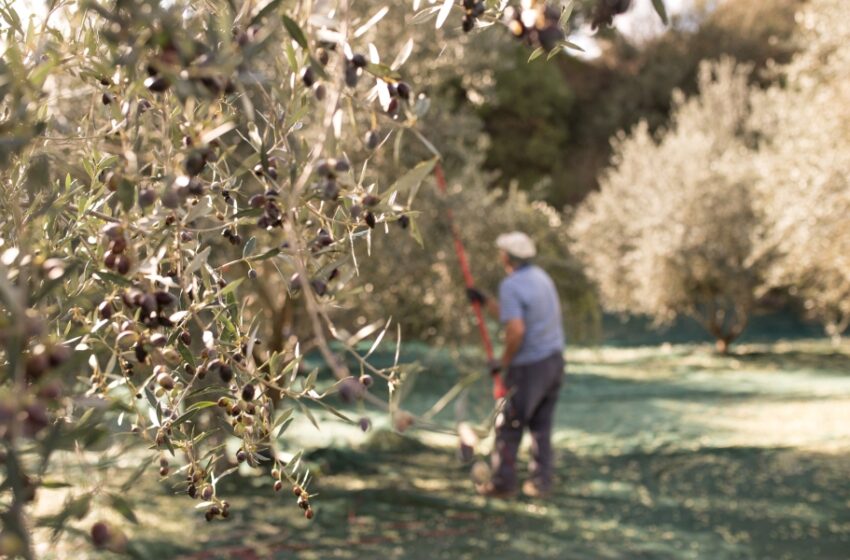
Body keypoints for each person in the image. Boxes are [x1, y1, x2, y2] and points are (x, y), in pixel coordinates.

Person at [468, 231, 565, 498]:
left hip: (529, 367)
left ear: (507, 257)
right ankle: (541, 483)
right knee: (541, 427)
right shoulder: (541, 279)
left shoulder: (512, 285)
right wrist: (486, 301)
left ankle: (502, 484)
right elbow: (513, 316)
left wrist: (503, 363)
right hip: (554, 362)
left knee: (509, 425)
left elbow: (516, 331)